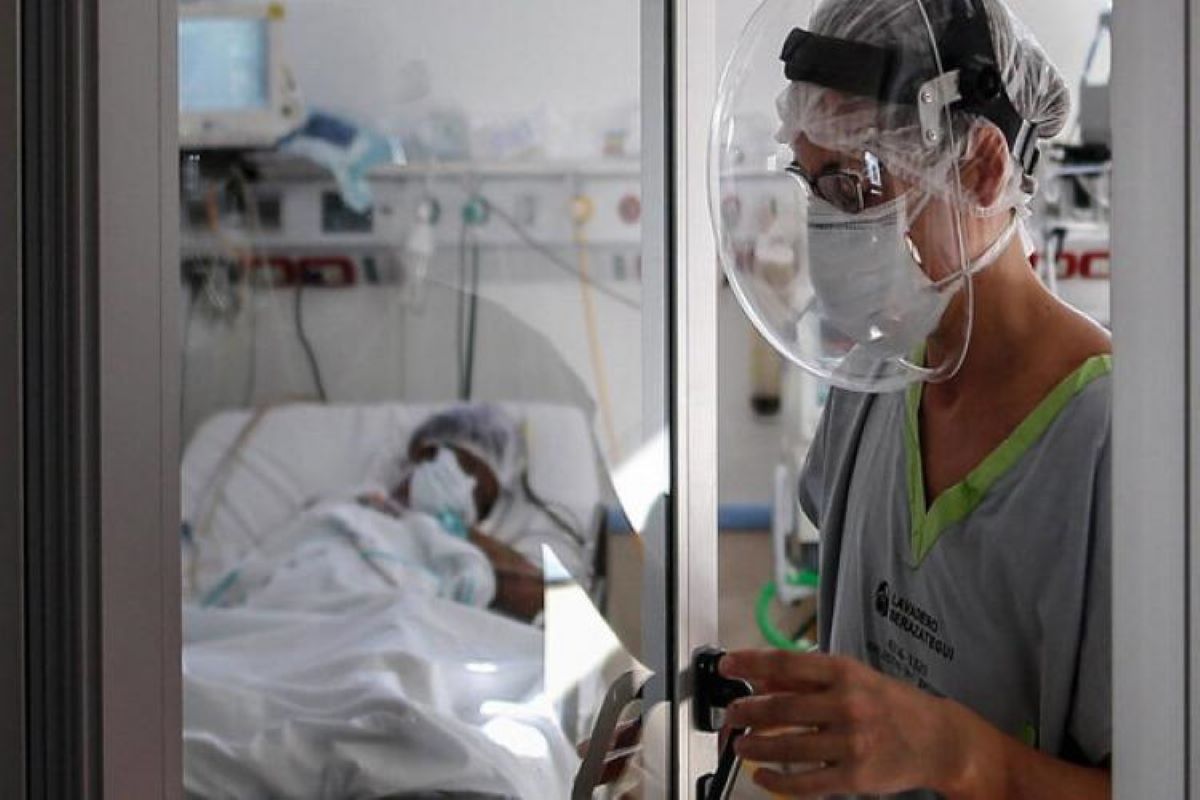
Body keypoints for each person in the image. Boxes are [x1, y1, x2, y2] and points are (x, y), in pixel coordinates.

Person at [712, 0, 1112, 796]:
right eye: (811, 184)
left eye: (855, 185)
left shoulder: (1113, 445)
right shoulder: (879, 380)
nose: (827, 225)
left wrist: (960, 757)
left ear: (983, 169)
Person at [359, 403, 548, 621]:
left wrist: (459, 533)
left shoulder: (455, 554)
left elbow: (554, 600)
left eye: (482, 502)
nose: (470, 492)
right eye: (470, 469)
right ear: (425, 452)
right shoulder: (350, 512)